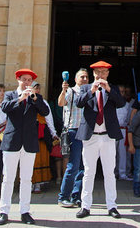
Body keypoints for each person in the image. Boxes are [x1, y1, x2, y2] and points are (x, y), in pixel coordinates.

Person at [0, 69, 50, 226]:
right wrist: (20, 99)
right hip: (12, 141)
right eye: (24, 80)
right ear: (18, 80)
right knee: (8, 178)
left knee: (26, 179)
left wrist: (33, 98)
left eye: (29, 80)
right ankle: (3, 211)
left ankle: (25, 211)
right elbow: (5, 107)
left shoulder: (36, 97)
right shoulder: (11, 95)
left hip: (29, 142)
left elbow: (45, 111)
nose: (27, 83)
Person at [75, 60, 125, 219]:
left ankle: (112, 206)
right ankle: (85, 206)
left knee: (109, 172)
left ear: (108, 74)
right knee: (88, 172)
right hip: (90, 137)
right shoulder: (85, 88)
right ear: (93, 74)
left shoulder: (113, 89)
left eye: (103, 72)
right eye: (97, 72)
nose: (100, 75)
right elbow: (78, 103)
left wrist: (109, 89)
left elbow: (121, 103)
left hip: (108, 136)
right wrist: (91, 90)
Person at [56, 68, 89, 207]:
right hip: (73, 131)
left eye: (86, 77)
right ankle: (63, 196)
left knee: (83, 167)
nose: (85, 79)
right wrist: (63, 90)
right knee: (73, 166)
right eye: (82, 77)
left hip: (86, 131)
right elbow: (61, 103)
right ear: (75, 79)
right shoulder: (71, 91)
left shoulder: (88, 92)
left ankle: (76, 196)